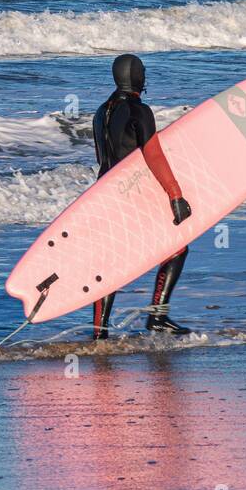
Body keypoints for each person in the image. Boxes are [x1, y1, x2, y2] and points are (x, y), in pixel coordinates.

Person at [91, 53, 194, 338]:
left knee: (109, 263)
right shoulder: (140, 111)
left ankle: (100, 333)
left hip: (103, 193)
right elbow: (153, 154)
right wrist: (175, 194)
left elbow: (103, 157)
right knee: (177, 247)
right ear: (136, 77)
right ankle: (157, 318)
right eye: (142, 72)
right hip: (130, 196)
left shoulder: (100, 112)